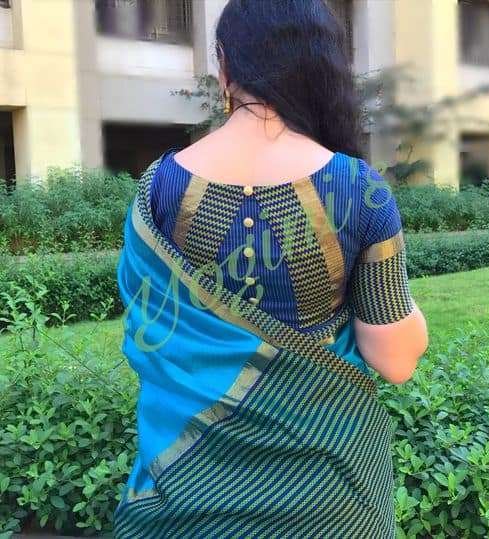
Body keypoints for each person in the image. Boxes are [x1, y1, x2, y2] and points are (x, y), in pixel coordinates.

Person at [113, 1, 428, 537]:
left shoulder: (159, 187)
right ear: (322, 65)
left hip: (183, 503)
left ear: (224, 64)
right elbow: (395, 360)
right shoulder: (358, 190)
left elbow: (152, 328)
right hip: (328, 505)